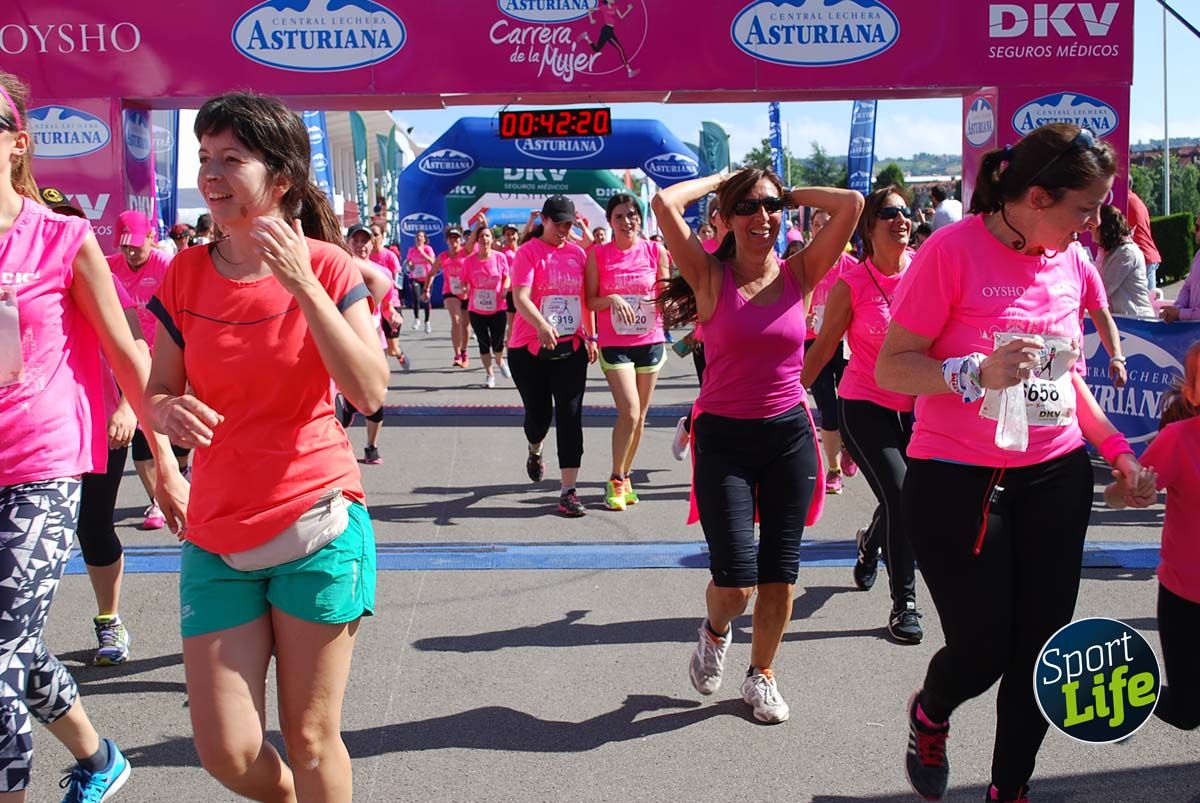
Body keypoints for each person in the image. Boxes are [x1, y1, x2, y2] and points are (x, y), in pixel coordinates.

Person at [874, 124, 1156, 803]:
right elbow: (892, 366)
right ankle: (931, 709)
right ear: (1036, 195)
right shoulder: (950, 251)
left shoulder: (1067, 259)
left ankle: (1012, 787)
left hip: (1055, 476)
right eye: (1084, 209)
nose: (1093, 225)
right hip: (957, 482)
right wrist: (975, 371)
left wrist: (1117, 451)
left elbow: (1067, 382)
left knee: (1041, 652)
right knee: (984, 650)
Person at [146, 91, 388, 802]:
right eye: (204, 159)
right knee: (226, 749)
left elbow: (369, 390)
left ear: (280, 179)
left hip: (317, 520)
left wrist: (303, 284)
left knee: (311, 737)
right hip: (218, 531)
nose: (211, 175)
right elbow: (158, 389)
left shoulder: (329, 267)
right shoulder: (184, 273)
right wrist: (169, 410)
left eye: (231, 160)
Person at [0, 68, 187, 802]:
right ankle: (100, 757)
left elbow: (126, 353)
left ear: (17, 144)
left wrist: (165, 465)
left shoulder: (62, 238)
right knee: (15, 646)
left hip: (40, 464)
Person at [653, 168, 863, 724]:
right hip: (723, 439)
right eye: (747, 208)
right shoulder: (708, 275)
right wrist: (723, 183)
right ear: (725, 217)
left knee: (780, 573)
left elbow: (851, 203)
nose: (762, 218)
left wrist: (783, 194)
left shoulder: (801, 271)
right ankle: (714, 632)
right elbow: (662, 201)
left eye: (771, 208)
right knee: (737, 582)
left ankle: (761, 674)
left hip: (788, 436)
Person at [801, 186, 922, 644]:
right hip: (865, 403)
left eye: (906, 212)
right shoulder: (853, 283)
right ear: (869, 227)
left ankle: (870, 544)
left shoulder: (926, 271)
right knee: (904, 495)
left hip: (918, 409)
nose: (901, 220)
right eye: (889, 213)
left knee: (904, 499)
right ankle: (904, 605)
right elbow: (826, 345)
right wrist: (791, 392)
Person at [1106, 340, 1200, 732]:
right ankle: (1119, 688)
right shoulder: (1179, 439)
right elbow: (1113, 498)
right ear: (1193, 394)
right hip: (1186, 600)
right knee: (1185, 711)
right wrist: (1129, 489)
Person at [509, 195, 598, 517]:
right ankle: (535, 448)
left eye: (568, 224)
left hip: (570, 346)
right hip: (528, 348)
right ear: (543, 220)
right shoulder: (528, 252)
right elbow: (520, 297)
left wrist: (590, 335)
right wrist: (542, 325)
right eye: (558, 222)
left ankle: (568, 491)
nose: (563, 229)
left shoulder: (577, 254)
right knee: (539, 416)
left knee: (571, 415)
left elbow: (584, 300)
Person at [106, 210, 192, 531]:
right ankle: (156, 498)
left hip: (167, 360)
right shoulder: (108, 268)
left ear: (151, 240)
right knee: (141, 441)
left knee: (176, 435)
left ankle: (180, 473)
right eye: (124, 246)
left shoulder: (166, 265)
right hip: (129, 362)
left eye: (136, 246)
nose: (130, 252)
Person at [585, 193, 669, 511]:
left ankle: (627, 476)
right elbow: (591, 300)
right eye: (619, 216)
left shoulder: (654, 250)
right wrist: (613, 299)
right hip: (615, 343)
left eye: (632, 215)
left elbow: (664, 294)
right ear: (610, 221)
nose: (627, 221)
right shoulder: (599, 255)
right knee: (629, 412)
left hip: (650, 340)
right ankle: (616, 478)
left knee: (641, 417)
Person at [802, 207, 859, 495]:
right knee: (827, 407)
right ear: (810, 230)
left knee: (847, 402)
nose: (823, 229)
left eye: (829, 223)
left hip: (846, 343)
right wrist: (804, 319)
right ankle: (834, 470)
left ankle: (850, 444)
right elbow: (793, 305)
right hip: (814, 342)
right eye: (817, 224)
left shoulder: (852, 266)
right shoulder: (805, 264)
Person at [341, 223, 394, 465]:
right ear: (348, 243)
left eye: (366, 240)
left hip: (373, 341)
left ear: (373, 244)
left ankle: (372, 446)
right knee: (348, 399)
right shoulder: (340, 269)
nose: (361, 245)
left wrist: (393, 315)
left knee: (376, 396)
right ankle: (349, 412)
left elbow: (387, 305)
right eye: (356, 240)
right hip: (344, 341)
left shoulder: (382, 273)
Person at [464, 223, 511, 388]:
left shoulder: (500, 257)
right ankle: (490, 374)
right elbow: (463, 281)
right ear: (477, 240)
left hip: (498, 307)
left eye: (487, 236)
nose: (484, 239)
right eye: (481, 236)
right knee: (483, 343)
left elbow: (507, 277)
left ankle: (499, 359)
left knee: (498, 342)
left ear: (492, 239)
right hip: (476, 309)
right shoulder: (469, 261)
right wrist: (464, 289)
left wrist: (505, 289)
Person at [1096, 204, 1155, 320]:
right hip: (1124, 321)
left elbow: (1103, 289)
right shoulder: (1107, 252)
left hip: (1138, 324)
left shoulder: (1127, 253)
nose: (1089, 231)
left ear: (1104, 229)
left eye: (1092, 226)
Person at [368, 221, 408, 367]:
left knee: (392, 349)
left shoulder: (389, 256)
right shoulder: (365, 257)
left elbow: (399, 281)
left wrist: (385, 285)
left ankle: (399, 354)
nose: (373, 237)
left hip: (391, 304)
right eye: (370, 234)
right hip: (373, 306)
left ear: (382, 236)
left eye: (376, 234)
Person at [432, 226, 472, 368]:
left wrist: (480, 225)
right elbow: (432, 273)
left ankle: (464, 351)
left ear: (460, 240)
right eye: (451, 239)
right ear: (447, 241)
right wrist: (426, 289)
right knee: (456, 320)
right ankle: (457, 355)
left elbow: (473, 241)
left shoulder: (466, 252)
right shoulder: (443, 256)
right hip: (450, 292)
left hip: (466, 292)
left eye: (456, 238)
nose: (453, 241)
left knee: (465, 324)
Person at [580, 0, 639, 77]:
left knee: (597, 49)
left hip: (609, 30)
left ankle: (586, 37)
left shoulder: (615, 7)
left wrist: (628, 9)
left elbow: (621, 17)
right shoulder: (603, 7)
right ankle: (629, 70)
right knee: (620, 49)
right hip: (607, 31)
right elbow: (590, 9)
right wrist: (591, 19)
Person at [1159, 213, 1200, 323]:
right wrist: (1178, 308)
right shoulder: (1198, 255)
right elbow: (1187, 286)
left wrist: (1180, 314)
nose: (1193, 231)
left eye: (1197, 227)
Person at [1126, 190, 1162, 294]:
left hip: (1140, 257)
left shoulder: (1124, 201)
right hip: (1148, 255)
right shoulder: (1137, 200)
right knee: (1149, 303)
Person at [405, 229, 436, 332]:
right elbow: (409, 262)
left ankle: (427, 321)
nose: (419, 238)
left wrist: (422, 252)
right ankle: (416, 319)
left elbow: (432, 261)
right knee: (416, 297)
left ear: (424, 239)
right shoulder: (411, 250)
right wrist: (410, 265)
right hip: (415, 277)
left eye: (421, 236)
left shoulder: (428, 249)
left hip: (427, 278)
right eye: (417, 236)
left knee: (426, 299)